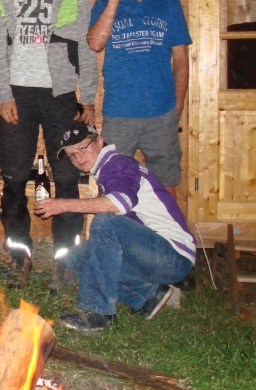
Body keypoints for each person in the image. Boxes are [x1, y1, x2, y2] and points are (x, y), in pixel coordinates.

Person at [0, 0, 98, 289]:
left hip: (60, 94)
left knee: (66, 177)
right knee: (14, 178)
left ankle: (67, 262)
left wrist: (89, 95)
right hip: (17, 95)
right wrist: (3, 94)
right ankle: (20, 258)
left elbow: (83, 40)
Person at [34, 122, 196, 332]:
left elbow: (117, 205)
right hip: (151, 256)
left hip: (172, 257)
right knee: (75, 255)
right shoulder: (105, 171)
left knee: (106, 221)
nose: (78, 157)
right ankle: (148, 295)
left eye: (82, 148)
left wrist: (62, 205)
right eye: (72, 155)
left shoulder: (118, 164)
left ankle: (98, 312)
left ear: (99, 141)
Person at [86, 0, 191, 199]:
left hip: (162, 112)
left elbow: (181, 59)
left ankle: (168, 228)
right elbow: (95, 43)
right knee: (114, 185)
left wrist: (178, 105)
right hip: (119, 112)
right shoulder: (104, 4)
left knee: (166, 183)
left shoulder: (168, 3)